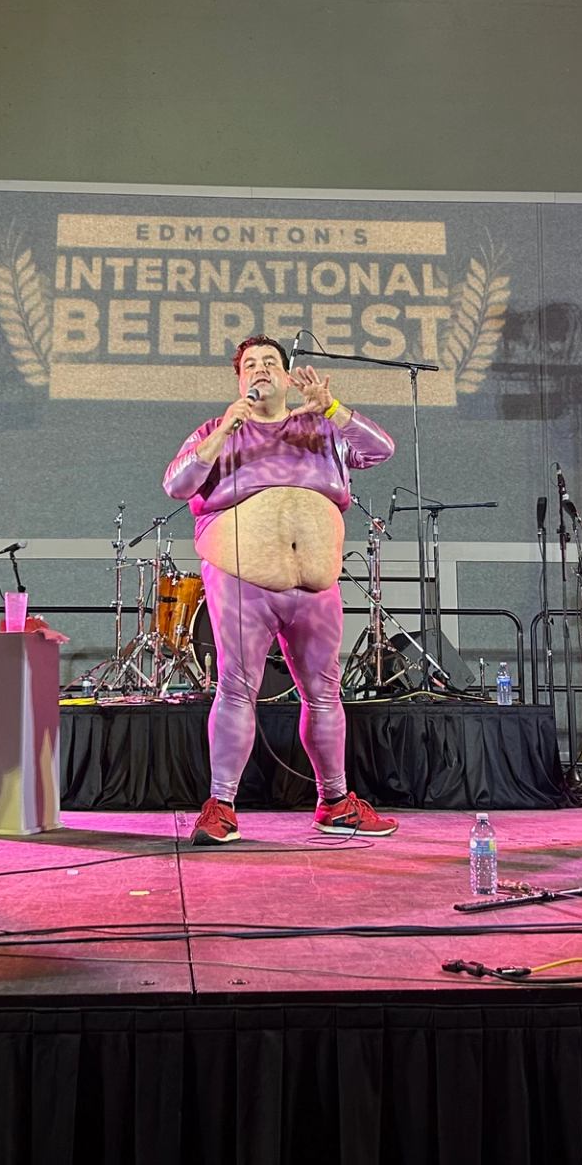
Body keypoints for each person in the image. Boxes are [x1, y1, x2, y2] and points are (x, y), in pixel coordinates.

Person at [163, 336, 399, 845]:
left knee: (325, 694)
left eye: (272, 362)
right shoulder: (216, 430)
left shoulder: (322, 425)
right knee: (235, 689)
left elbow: (382, 449)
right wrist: (224, 428)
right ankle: (220, 804)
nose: (262, 369)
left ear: (289, 376)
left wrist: (333, 409)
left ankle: (334, 802)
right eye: (251, 364)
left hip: (315, 585)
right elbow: (177, 486)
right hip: (242, 581)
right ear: (240, 379)